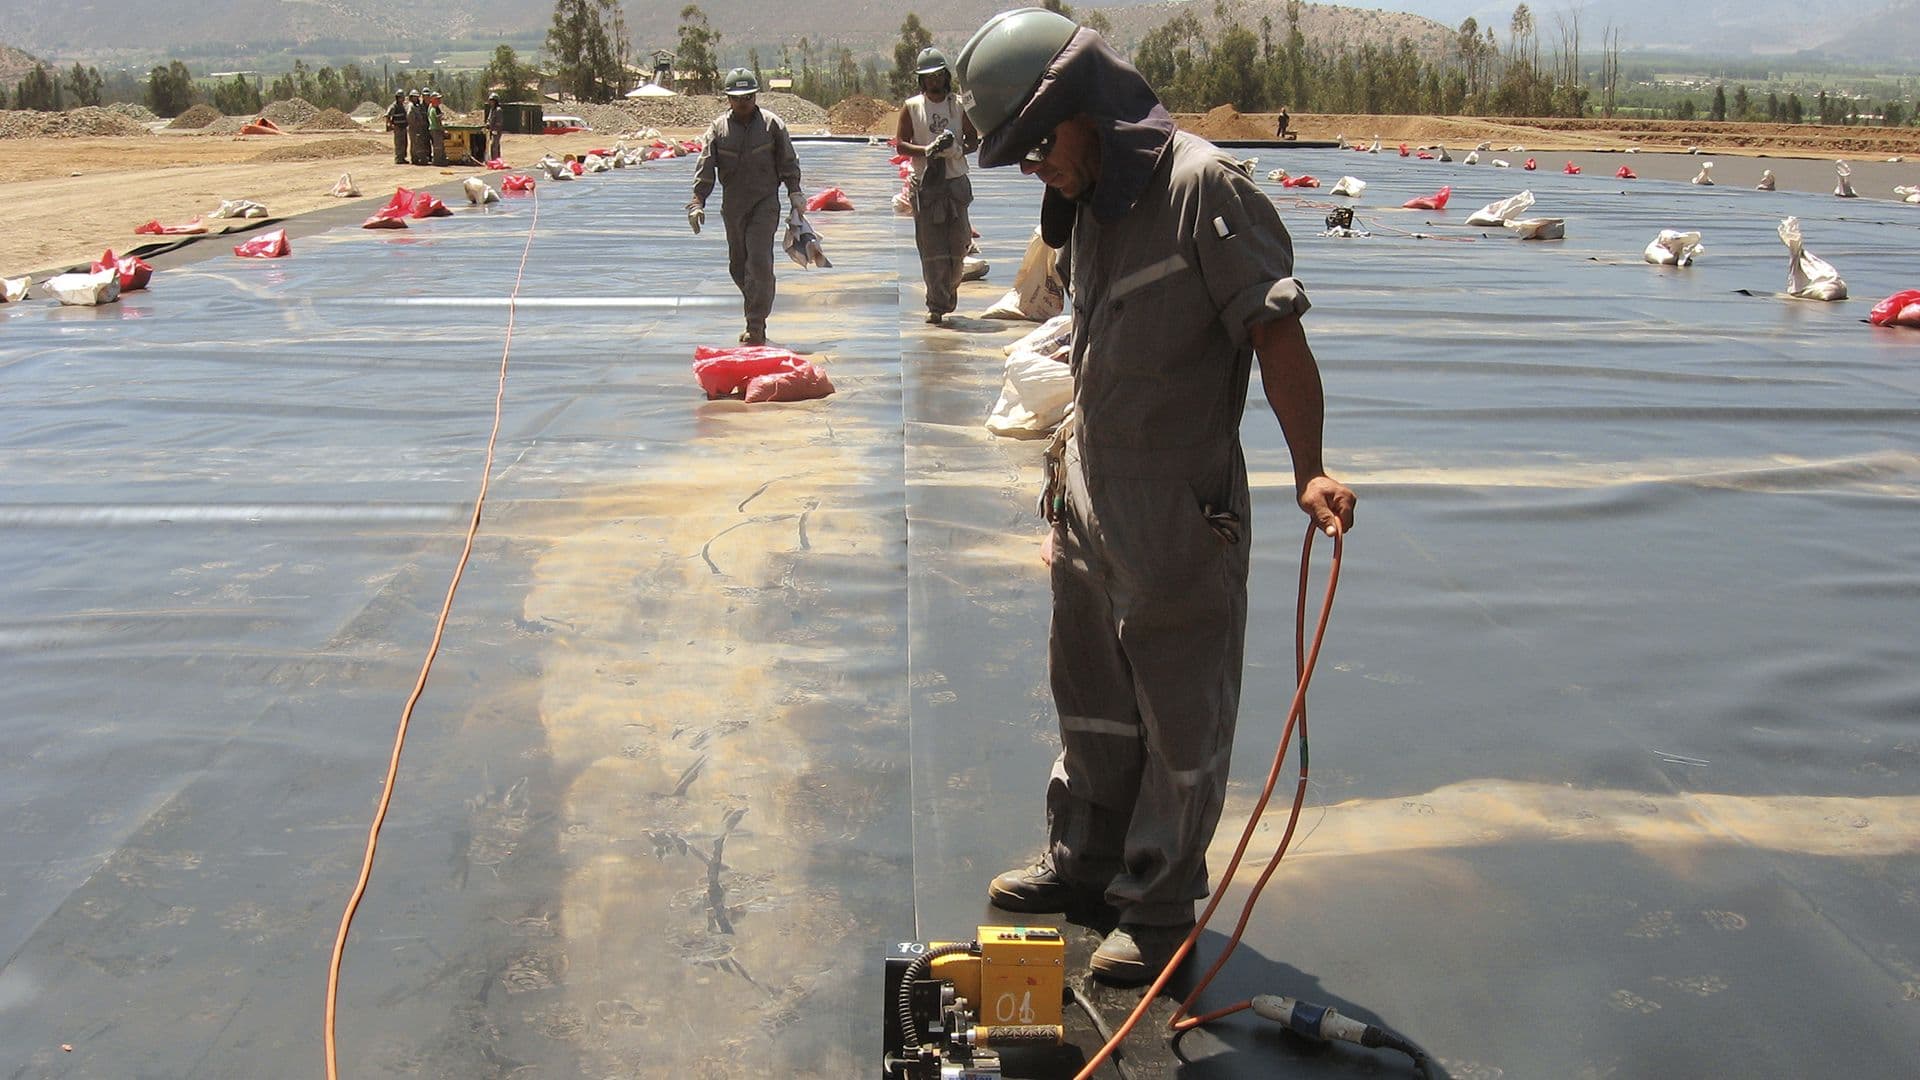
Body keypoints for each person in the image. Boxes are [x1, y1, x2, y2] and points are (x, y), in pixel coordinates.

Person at [955, 9, 1357, 987]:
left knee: (1178, 711)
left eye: (1040, 142)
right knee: (1089, 694)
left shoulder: (1201, 192)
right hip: (1091, 488)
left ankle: (1161, 905)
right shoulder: (1093, 200)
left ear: (1090, 110)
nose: (1033, 167)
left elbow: (1275, 335)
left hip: (1180, 505)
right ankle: (1084, 862)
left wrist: (1309, 465)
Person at [688, 68, 805, 345]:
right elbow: (706, 167)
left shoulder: (772, 125)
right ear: (728, 98)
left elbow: (788, 161)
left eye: (749, 97)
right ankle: (755, 305)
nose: (743, 103)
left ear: (756, 96)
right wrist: (697, 201)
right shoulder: (718, 129)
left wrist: (795, 192)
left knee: (759, 262)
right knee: (738, 266)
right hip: (733, 206)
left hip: (765, 204)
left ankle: (756, 324)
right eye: (738, 98)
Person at [895, 47, 979, 325]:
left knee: (958, 245)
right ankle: (936, 305)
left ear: (946, 75)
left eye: (939, 75)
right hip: (927, 187)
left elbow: (972, 139)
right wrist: (927, 150)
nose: (934, 81)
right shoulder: (912, 107)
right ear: (922, 80)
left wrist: (956, 149)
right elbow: (901, 143)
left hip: (955, 185)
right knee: (932, 250)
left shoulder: (958, 105)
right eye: (929, 77)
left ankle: (949, 291)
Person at [406, 90, 430, 167]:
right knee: (414, 143)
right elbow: (410, 117)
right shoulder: (411, 106)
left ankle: (417, 158)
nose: (416, 98)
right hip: (414, 128)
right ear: (411, 97)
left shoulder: (416, 105)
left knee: (418, 143)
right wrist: (415, 124)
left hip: (418, 127)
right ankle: (414, 159)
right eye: (414, 97)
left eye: (416, 97)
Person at [386, 89, 410, 165]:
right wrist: (389, 124)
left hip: (403, 127)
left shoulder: (402, 106)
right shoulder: (394, 106)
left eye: (403, 97)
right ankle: (398, 158)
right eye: (401, 97)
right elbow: (388, 116)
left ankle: (402, 157)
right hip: (398, 127)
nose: (402, 99)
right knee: (399, 143)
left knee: (404, 143)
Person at [427, 90, 447, 167]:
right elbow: (438, 121)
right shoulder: (433, 109)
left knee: (438, 145)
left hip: (434, 129)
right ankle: (437, 161)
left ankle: (439, 160)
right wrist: (442, 129)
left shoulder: (433, 108)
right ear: (433, 100)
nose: (439, 100)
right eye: (437, 99)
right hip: (435, 129)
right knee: (438, 146)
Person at [484, 93, 504, 162]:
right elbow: (489, 119)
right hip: (491, 130)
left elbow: (499, 122)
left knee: (494, 146)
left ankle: (495, 160)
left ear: (496, 101)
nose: (491, 103)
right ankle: (497, 159)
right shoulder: (492, 110)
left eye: (493, 101)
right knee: (494, 145)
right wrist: (487, 124)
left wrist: (495, 129)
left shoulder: (498, 110)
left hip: (497, 131)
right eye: (490, 101)